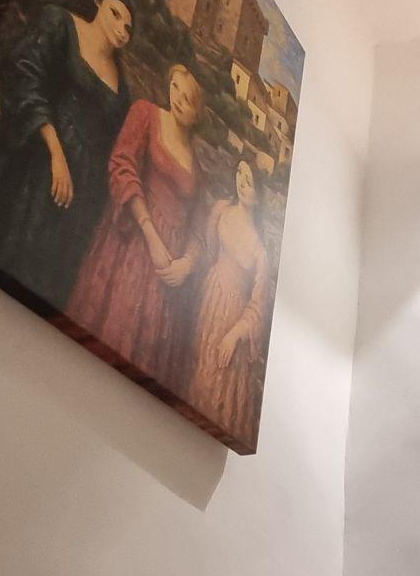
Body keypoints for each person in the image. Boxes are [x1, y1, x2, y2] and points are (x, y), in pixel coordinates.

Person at [0, 0, 135, 306]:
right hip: (40, 163)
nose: (122, 29)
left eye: (128, 27)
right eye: (115, 14)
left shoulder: (123, 84)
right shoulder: (60, 23)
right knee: (12, 257)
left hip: (84, 190)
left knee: (48, 278)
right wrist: (56, 155)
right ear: (98, 2)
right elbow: (26, 77)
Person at [66, 62, 207, 376]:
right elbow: (122, 165)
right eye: (175, 88)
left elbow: (199, 227)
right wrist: (151, 235)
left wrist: (187, 263)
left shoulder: (198, 168)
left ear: (197, 115)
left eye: (187, 99)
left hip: (168, 271)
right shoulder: (146, 114)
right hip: (133, 245)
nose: (178, 99)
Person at [186, 160, 273, 436]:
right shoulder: (221, 210)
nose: (242, 184)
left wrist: (235, 334)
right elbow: (207, 250)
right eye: (240, 174)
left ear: (259, 195)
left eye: (249, 181)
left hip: (232, 318)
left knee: (216, 387)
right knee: (194, 369)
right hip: (208, 300)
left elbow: (258, 306)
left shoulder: (260, 251)